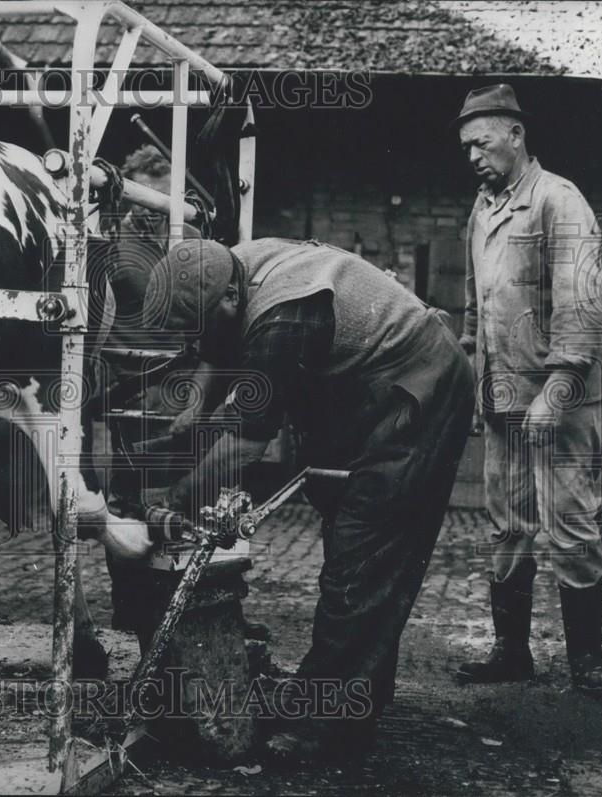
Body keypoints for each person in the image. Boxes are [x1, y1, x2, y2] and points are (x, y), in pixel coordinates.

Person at [140, 236, 474, 762]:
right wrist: (196, 411)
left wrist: (176, 499)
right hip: (369, 385)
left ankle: (330, 724)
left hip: (419, 384)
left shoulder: (282, 315)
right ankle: (350, 695)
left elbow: (248, 443)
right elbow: (211, 348)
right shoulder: (229, 265)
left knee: (363, 552)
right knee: (351, 545)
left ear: (230, 300)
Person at [452, 84, 602, 698]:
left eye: (483, 142)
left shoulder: (558, 200)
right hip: (503, 396)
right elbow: (476, 307)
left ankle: (586, 662)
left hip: (562, 395)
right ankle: (511, 651)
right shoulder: (482, 208)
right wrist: (478, 380)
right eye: (466, 146)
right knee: (507, 523)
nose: (473, 155)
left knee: (571, 522)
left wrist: (559, 386)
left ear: (516, 136)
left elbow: (586, 304)